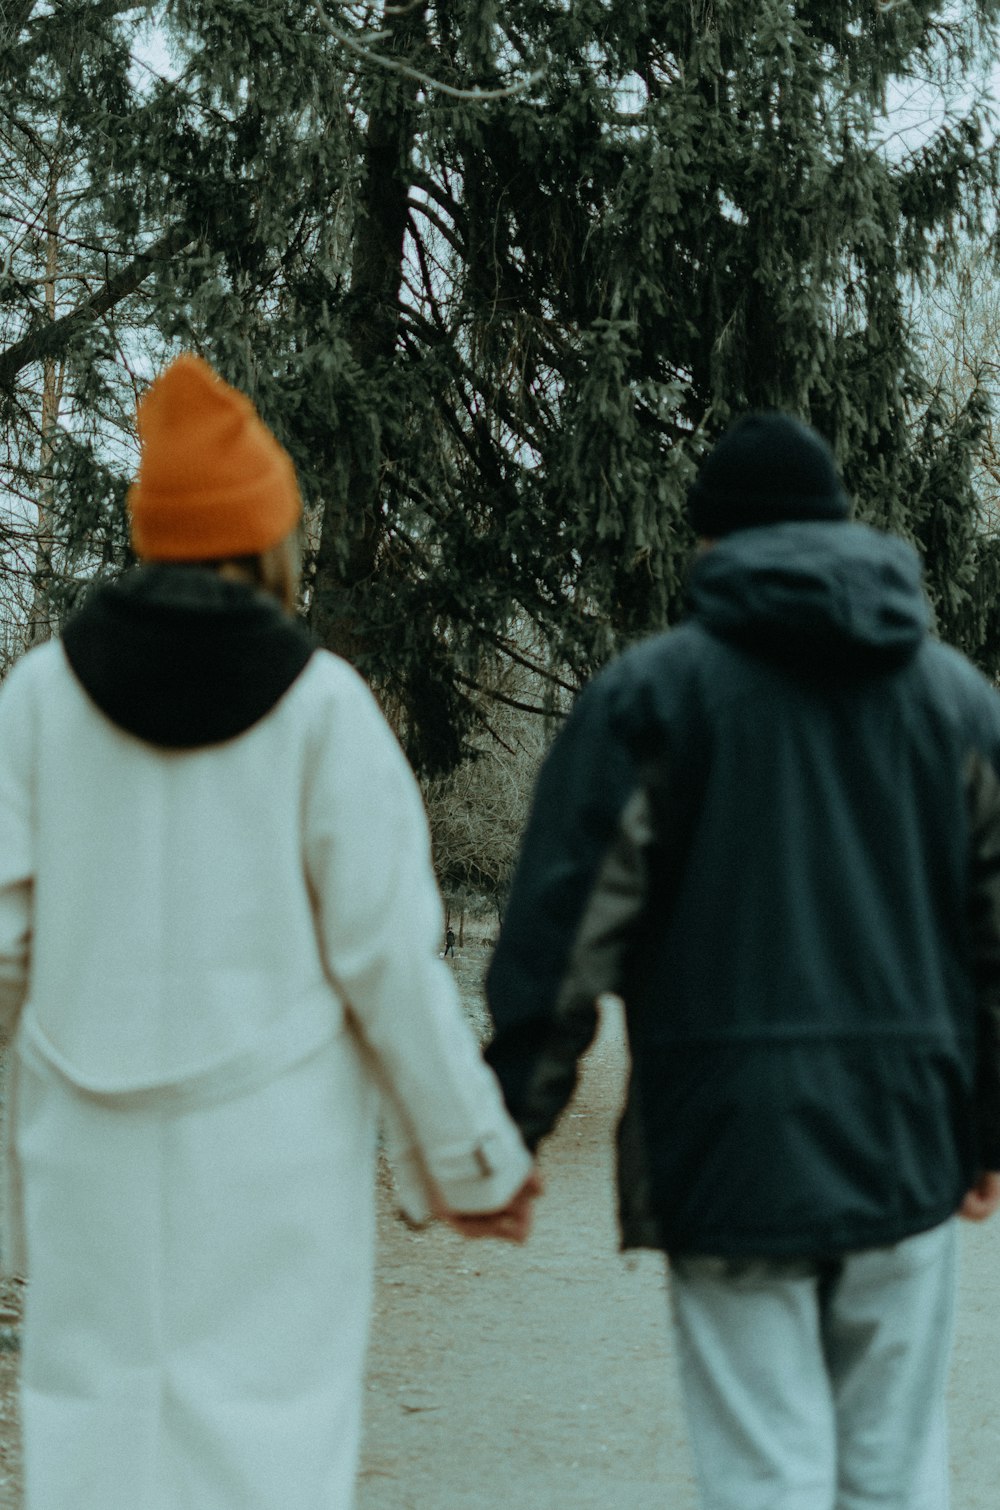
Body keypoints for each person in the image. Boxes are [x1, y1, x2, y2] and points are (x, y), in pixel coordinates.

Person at [0, 353, 539, 1510]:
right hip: (269, 1173)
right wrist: (469, 1161)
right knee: (265, 1451)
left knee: (94, 1447)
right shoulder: (323, 712)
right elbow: (390, 966)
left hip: (85, 1167)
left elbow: (1, 953)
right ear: (267, 545)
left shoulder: (38, 702)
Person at [483, 411, 1000, 1510]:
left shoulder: (651, 698)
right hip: (907, 1136)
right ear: (839, 528)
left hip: (728, 1143)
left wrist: (509, 1125)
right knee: (897, 1477)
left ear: (707, 546)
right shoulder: (957, 705)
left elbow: (566, 931)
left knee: (761, 1476)